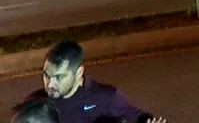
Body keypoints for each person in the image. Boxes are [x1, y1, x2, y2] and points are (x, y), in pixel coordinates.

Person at [25, 41, 166, 123]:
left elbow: (136, 115)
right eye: (46, 76)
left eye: (59, 77)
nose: (50, 84)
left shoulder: (106, 97)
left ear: (79, 72)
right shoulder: (36, 103)